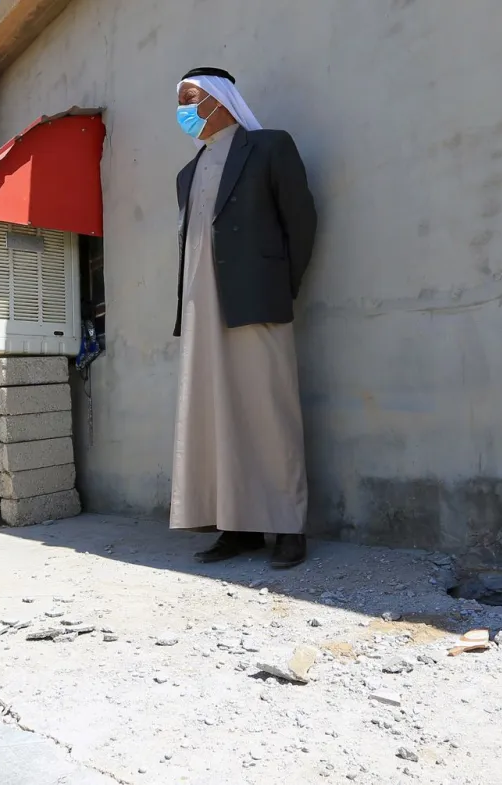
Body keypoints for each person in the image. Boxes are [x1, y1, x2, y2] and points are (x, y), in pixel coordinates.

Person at [169, 67, 318, 569]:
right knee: (216, 416)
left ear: (218, 99)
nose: (183, 111)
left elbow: (301, 222)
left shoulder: (270, 147)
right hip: (201, 308)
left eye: (190, 98)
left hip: (257, 300)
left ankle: (288, 526)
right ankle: (238, 527)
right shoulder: (186, 175)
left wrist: (280, 287)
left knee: (269, 413)